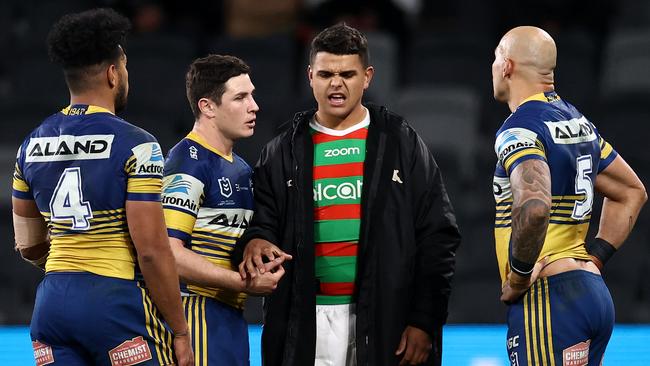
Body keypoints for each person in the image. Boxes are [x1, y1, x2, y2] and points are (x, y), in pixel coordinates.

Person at [233, 23, 461, 366]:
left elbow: (437, 236)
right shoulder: (282, 151)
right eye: (325, 74)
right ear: (310, 76)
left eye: (347, 74)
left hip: (387, 322)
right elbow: (262, 222)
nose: (336, 83)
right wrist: (256, 240)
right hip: (306, 322)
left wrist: (423, 321)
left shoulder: (401, 142)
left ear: (367, 77)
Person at [11, 8, 193, 366]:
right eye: (124, 68)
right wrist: (181, 331)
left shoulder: (29, 145)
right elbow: (152, 251)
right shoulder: (138, 145)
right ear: (113, 73)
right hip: (112, 304)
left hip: (51, 307)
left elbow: (29, 244)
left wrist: (70, 273)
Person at [490, 26, 647, 365]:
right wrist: (597, 256)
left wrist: (517, 278)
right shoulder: (579, 123)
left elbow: (534, 208)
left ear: (507, 66)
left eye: (496, 56)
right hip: (591, 294)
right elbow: (631, 191)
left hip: (549, 297)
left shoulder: (519, 128)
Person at [162, 54, 287, 366]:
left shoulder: (243, 170)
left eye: (253, 95)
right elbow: (170, 253)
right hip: (194, 315)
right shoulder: (188, 162)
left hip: (228, 317)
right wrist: (244, 284)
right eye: (241, 97)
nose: (254, 106)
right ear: (207, 107)